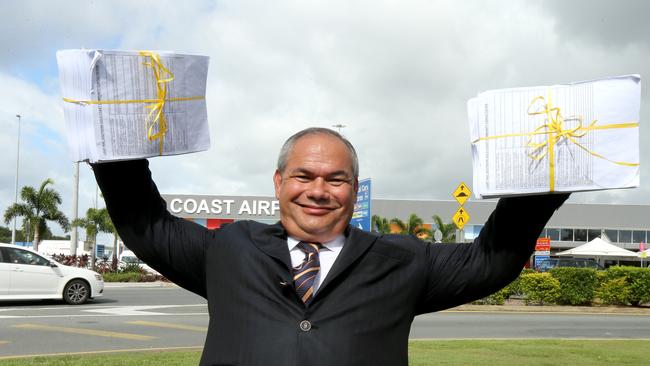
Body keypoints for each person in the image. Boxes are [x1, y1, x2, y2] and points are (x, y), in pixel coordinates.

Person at [92, 127, 568, 366]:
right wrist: (115, 134)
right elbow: (145, 224)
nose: (317, 190)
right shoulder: (230, 248)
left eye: (335, 179)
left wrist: (546, 177)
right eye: (303, 175)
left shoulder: (401, 259)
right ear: (279, 182)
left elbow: (492, 260)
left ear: (354, 189)